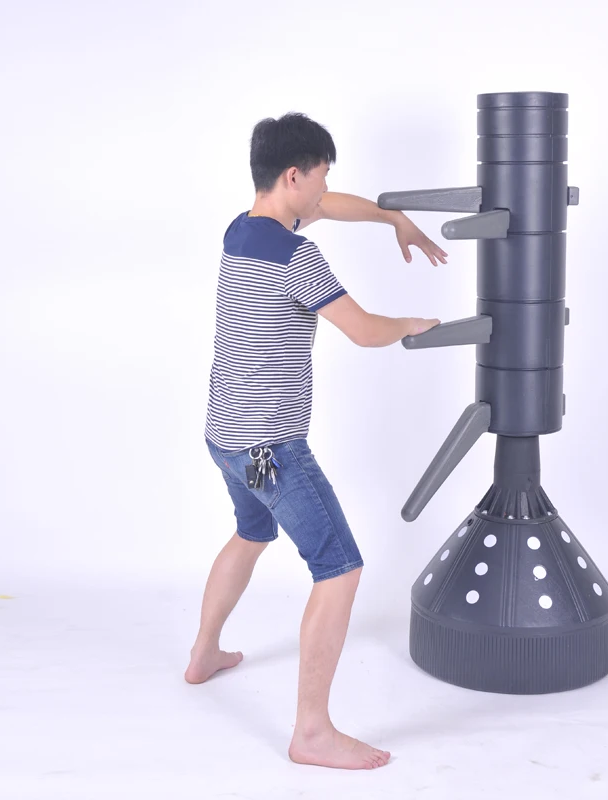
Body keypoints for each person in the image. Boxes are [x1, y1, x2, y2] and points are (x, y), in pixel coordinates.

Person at [186, 112, 446, 770]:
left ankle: (203, 655)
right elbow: (362, 330)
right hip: (271, 449)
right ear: (294, 176)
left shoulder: (244, 231)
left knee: (251, 532)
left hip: (225, 436)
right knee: (340, 567)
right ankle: (312, 733)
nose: (327, 190)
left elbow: (327, 208)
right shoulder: (297, 258)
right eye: (323, 175)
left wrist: (391, 218)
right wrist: (411, 324)